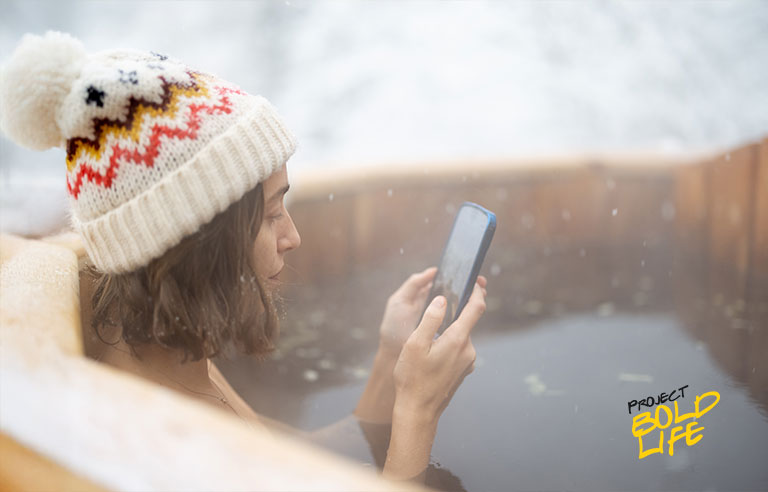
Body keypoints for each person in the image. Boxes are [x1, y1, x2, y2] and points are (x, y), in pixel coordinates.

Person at [0, 31, 487, 482]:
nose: (293, 236)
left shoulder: (171, 354)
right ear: (200, 241)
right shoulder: (169, 436)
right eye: (272, 213)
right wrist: (418, 413)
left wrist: (391, 359)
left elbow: (296, 460)